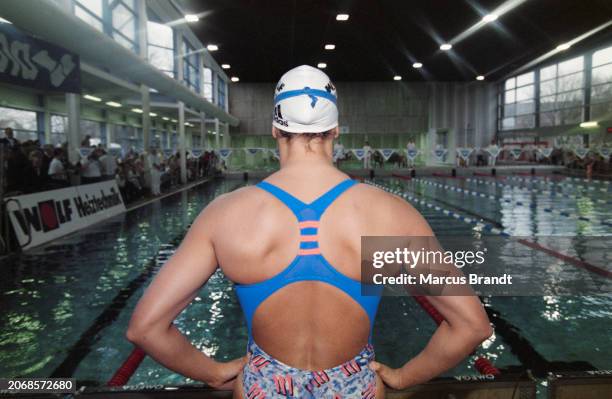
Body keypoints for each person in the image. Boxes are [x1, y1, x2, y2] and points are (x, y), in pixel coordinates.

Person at [126, 65, 491, 398]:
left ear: (274, 129)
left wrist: (212, 372)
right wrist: (405, 377)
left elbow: (146, 328)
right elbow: (472, 326)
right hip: (355, 389)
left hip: (263, 389)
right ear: (335, 129)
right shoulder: (392, 214)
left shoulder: (225, 214)